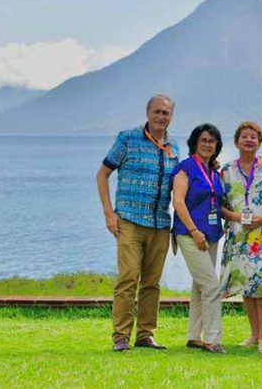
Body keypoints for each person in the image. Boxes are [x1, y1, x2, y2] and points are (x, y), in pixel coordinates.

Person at [96, 94, 180, 352]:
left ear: (171, 116)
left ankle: (145, 334)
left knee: (152, 283)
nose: (160, 117)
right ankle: (121, 337)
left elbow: (180, 182)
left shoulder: (174, 146)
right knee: (128, 278)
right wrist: (109, 214)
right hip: (130, 221)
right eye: (157, 111)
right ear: (147, 113)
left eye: (165, 113)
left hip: (160, 224)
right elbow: (102, 174)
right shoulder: (128, 139)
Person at [219, 121, 262, 353]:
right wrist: (236, 217)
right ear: (236, 141)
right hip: (239, 236)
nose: (249, 140)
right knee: (246, 284)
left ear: (260, 142)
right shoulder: (227, 170)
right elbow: (219, 205)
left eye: (253, 137)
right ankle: (254, 333)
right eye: (244, 136)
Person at [171, 124, 225, 354]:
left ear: (217, 145)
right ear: (195, 142)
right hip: (189, 233)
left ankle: (194, 337)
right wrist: (194, 230)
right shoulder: (185, 168)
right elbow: (178, 202)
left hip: (211, 233)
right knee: (211, 286)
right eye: (203, 140)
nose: (207, 144)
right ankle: (212, 339)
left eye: (212, 141)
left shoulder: (213, 171)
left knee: (199, 286)